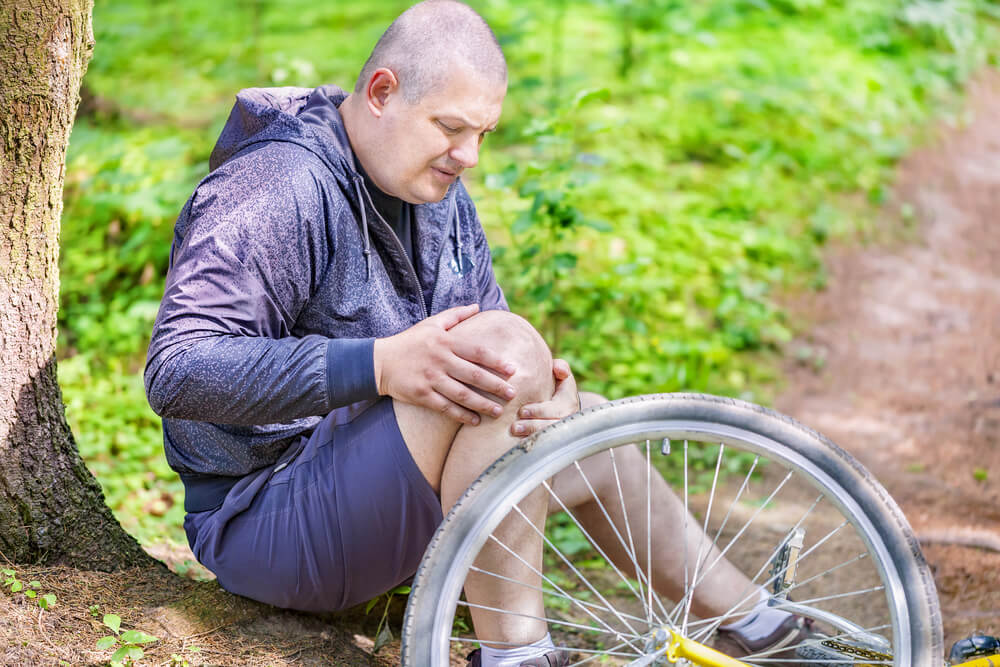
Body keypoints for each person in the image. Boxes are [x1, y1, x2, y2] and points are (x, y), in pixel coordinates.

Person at [144, 1, 813, 665]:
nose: (468, 155)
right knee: (503, 364)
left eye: (483, 134)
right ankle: (516, 655)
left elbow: (498, 339)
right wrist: (379, 365)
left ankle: (757, 624)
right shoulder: (279, 183)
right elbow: (179, 369)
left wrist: (550, 392)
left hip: (362, 486)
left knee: (589, 429)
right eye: (451, 127)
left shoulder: (436, 194)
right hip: (264, 518)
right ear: (382, 92)